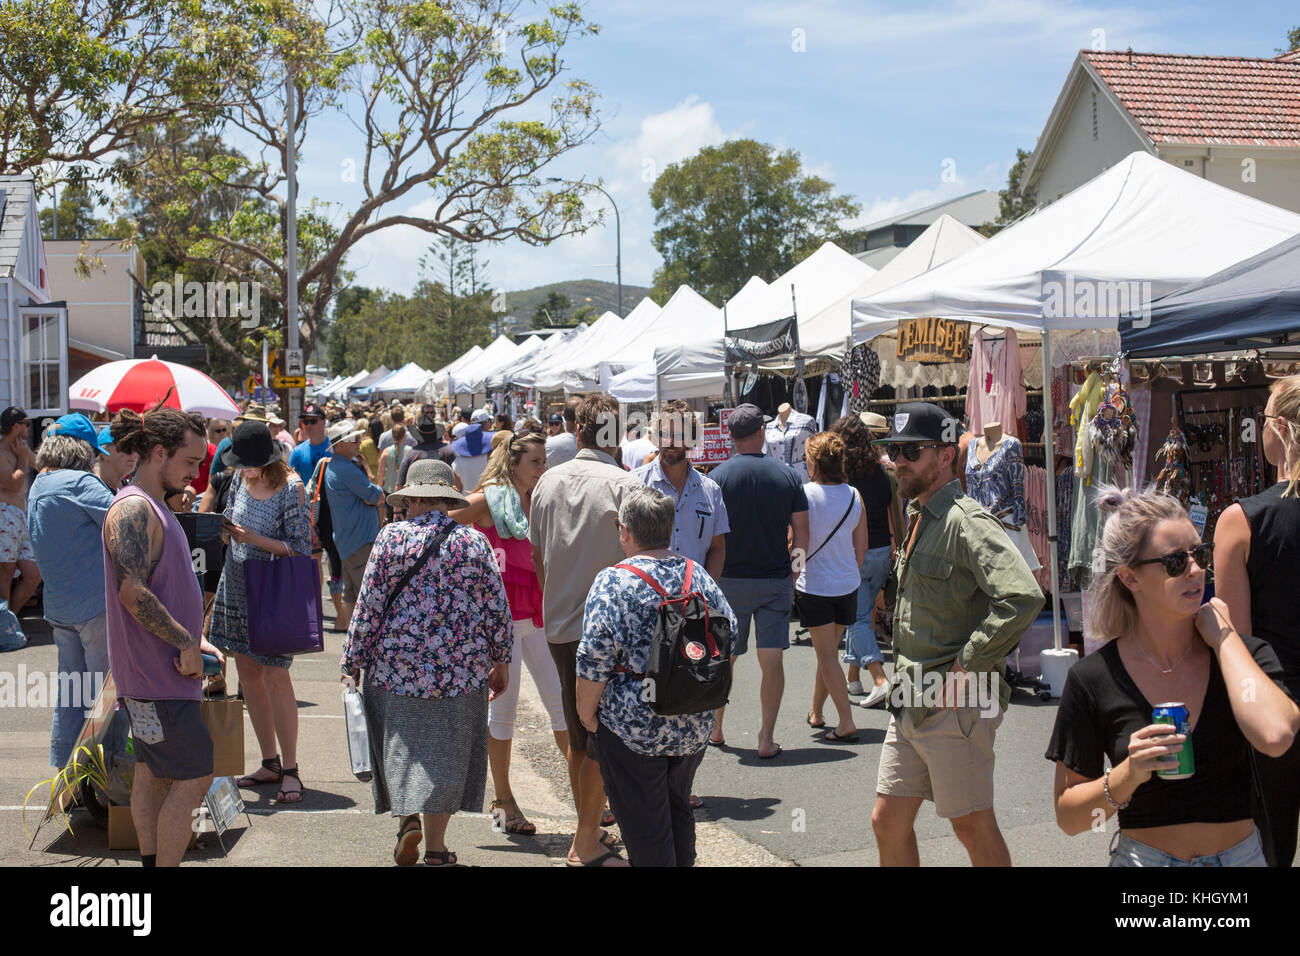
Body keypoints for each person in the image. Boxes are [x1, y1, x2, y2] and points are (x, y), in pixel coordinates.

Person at [1046, 486, 1298, 866]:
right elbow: (1070, 818)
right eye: (1176, 562)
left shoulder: (1241, 657)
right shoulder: (1093, 678)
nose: (1196, 570)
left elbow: (1276, 736)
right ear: (1130, 578)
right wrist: (1128, 774)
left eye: (1200, 554)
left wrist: (1224, 638)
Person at [870, 402, 1043, 867]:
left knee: (970, 824)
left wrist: (969, 664)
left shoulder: (967, 521)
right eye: (893, 451)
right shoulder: (918, 514)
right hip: (911, 693)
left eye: (909, 451)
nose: (897, 461)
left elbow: (1022, 596)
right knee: (887, 820)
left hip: (957, 700)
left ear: (946, 455)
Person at [341, 459, 511, 866]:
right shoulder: (473, 542)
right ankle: (435, 849)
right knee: (448, 758)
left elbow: (368, 607)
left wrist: (353, 659)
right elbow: (496, 609)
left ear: (413, 498)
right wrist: (500, 660)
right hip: (460, 671)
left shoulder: (390, 539)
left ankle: (407, 823)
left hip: (395, 669)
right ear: (447, 498)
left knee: (399, 751)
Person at [577, 486, 738, 867]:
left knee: (646, 828)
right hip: (692, 720)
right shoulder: (696, 574)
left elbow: (594, 656)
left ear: (625, 531)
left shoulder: (614, 581)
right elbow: (728, 634)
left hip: (634, 727)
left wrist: (587, 714)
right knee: (678, 807)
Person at [102, 396, 221, 866]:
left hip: (155, 677)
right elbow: (132, 592)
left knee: (152, 772)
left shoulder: (150, 504)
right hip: (160, 678)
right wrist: (185, 643)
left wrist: (197, 637)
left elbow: (160, 588)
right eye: (190, 461)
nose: (196, 472)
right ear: (158, 453)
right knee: (196, 776)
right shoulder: (134, 509)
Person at [530, 393, 643, 865]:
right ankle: (586, 838)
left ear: (578, 430)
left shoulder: (546, 482)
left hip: (560, 622)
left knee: (581, 734)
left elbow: (539, 556)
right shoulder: (625, 484)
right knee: (604, 736)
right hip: (612, 628)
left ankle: (589, 828)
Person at [450, 431, 569, 836]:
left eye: (544, 462)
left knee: (564, 706)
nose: (542, 469)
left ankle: (589, 799)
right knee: (503, 713)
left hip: (536, 619)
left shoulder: (538, 502)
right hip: (497, 627)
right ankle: (504, 799)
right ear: (513, 463)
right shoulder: (488, 500)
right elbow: (437, 526)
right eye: (535, 462)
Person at [1212, 374, 1300, 866]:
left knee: (1272, 844)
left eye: (1263, 419)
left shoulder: (1242, 520)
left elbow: (1238, 644)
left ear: (1282, 428)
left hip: (1276, 704)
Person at [208, 421, 313, 804]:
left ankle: (290, 768)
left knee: (276, 675)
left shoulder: (292, 489)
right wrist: (222, 532)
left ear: (268, 460)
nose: (245, 469)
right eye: (241, 463)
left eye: (251, 464)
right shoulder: (237, 480)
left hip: (271, 589)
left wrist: (249, 537)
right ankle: (268, 761)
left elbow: (300, 548)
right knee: (248, 673)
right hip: (237, 583)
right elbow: (232, 526)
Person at [708, 404, 809, 760]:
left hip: (729, 580)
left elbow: (711, 535)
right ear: (762, 432)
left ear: (730, 436)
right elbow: (802, 532)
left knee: (724, 658)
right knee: (772, 660)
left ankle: (716, 727)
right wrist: (795, 572)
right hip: (774, 577)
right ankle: (766, 738)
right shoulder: (787, 476)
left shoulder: (717, 478)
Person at [28, 416, 125, 767]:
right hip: (95, 607)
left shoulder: (39, 484)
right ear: (84, 449)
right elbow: (125, 519)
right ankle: (106, 771)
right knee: (109, 697)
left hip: (60, 608)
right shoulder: (81, 482)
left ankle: (65, 772)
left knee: (71, 695)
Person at [797, 432, 868, 743]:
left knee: (826, 655)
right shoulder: (854, 495)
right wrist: (848, 571)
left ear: (813, 463)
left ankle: (846, 721)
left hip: (816, 584)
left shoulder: (805, 495)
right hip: (847, 583)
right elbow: (861, 546)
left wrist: (793, 573)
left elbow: (796, 542)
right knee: (827, 653)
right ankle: (816, 710)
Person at [831, 413, 899, 708]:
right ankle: (853, 677)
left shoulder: (840, 475)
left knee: (857, 619)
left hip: (854, 553)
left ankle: (881, 679)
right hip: (882, 551)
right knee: (864, 613)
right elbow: (891, 510)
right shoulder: (882, 472)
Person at [633, 401, 728, 579]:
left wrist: (705, 591)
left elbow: (717, 548)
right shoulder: (635, 484)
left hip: (694, 599)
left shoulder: (711, 490)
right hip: (647, 598)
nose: (670, 442)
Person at [324, 420, 384, 633]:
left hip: (348, 539)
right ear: (340, 445)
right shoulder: (346, 469)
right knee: (366, 595)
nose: (359, 443)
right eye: (354, 439)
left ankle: (353, 641)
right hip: (360, 540)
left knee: (351, 593)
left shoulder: (338, 466)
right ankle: (364, 642)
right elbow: (376, 496)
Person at [0, 405, 41, 613]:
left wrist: (26, 454)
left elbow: (40, 465)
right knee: (5, 574)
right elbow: (13, 484)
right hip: (5, 515)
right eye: (25, 424)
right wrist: (23, 458)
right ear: (16, 426)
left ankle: (9, 622)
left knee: (33, 573)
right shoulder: (2, 453)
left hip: (20, 517)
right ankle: (4, 629)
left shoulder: (21, 448)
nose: (29, 427)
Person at [288, 402, 332, 486]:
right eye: (305, 422)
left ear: (324, 422)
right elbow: (291, 482)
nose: (308, 425)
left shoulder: (335, 447)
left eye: (313, 421)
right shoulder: (297, 451)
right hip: (309, 498)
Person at [449, 416, 495, 493]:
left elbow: (458, 489)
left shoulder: (457, 462)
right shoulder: (491, 458)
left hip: (467, 501)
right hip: (487, 499)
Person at [377, 422, 406, 524]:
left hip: (389, 491)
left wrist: (379, 489)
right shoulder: (410, 451)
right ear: (404, 435)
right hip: (406, 491)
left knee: (390, 519)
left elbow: (380, 474)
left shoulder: (385, 452)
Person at [95, 427, 140, 492]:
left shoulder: (122, 484)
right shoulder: (92, 488)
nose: (135, 454)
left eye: (137, 448)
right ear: (104, 452)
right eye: (127, 448)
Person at [545, 398, 579, 468]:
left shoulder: (547, 444)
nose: (554, 426)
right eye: (551, 423)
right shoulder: (594, 446)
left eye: (556, 423)